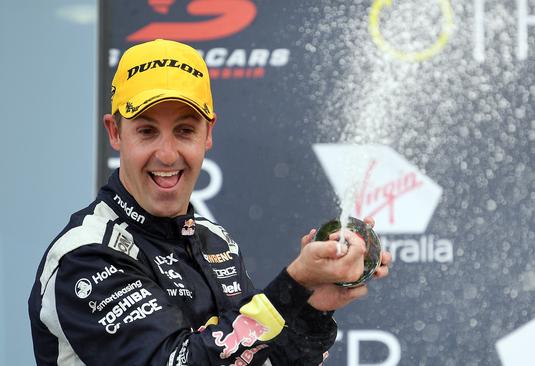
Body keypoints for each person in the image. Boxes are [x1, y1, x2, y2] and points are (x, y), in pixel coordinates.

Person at [28, 39, 391, 365]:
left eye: (185, 130)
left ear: (208, 134)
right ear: (115, 133)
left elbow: (259, 360)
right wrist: (292, 285)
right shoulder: (86, 256)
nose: (167, 154)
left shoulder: (212, 239)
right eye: (147, 131)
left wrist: (311, 304)